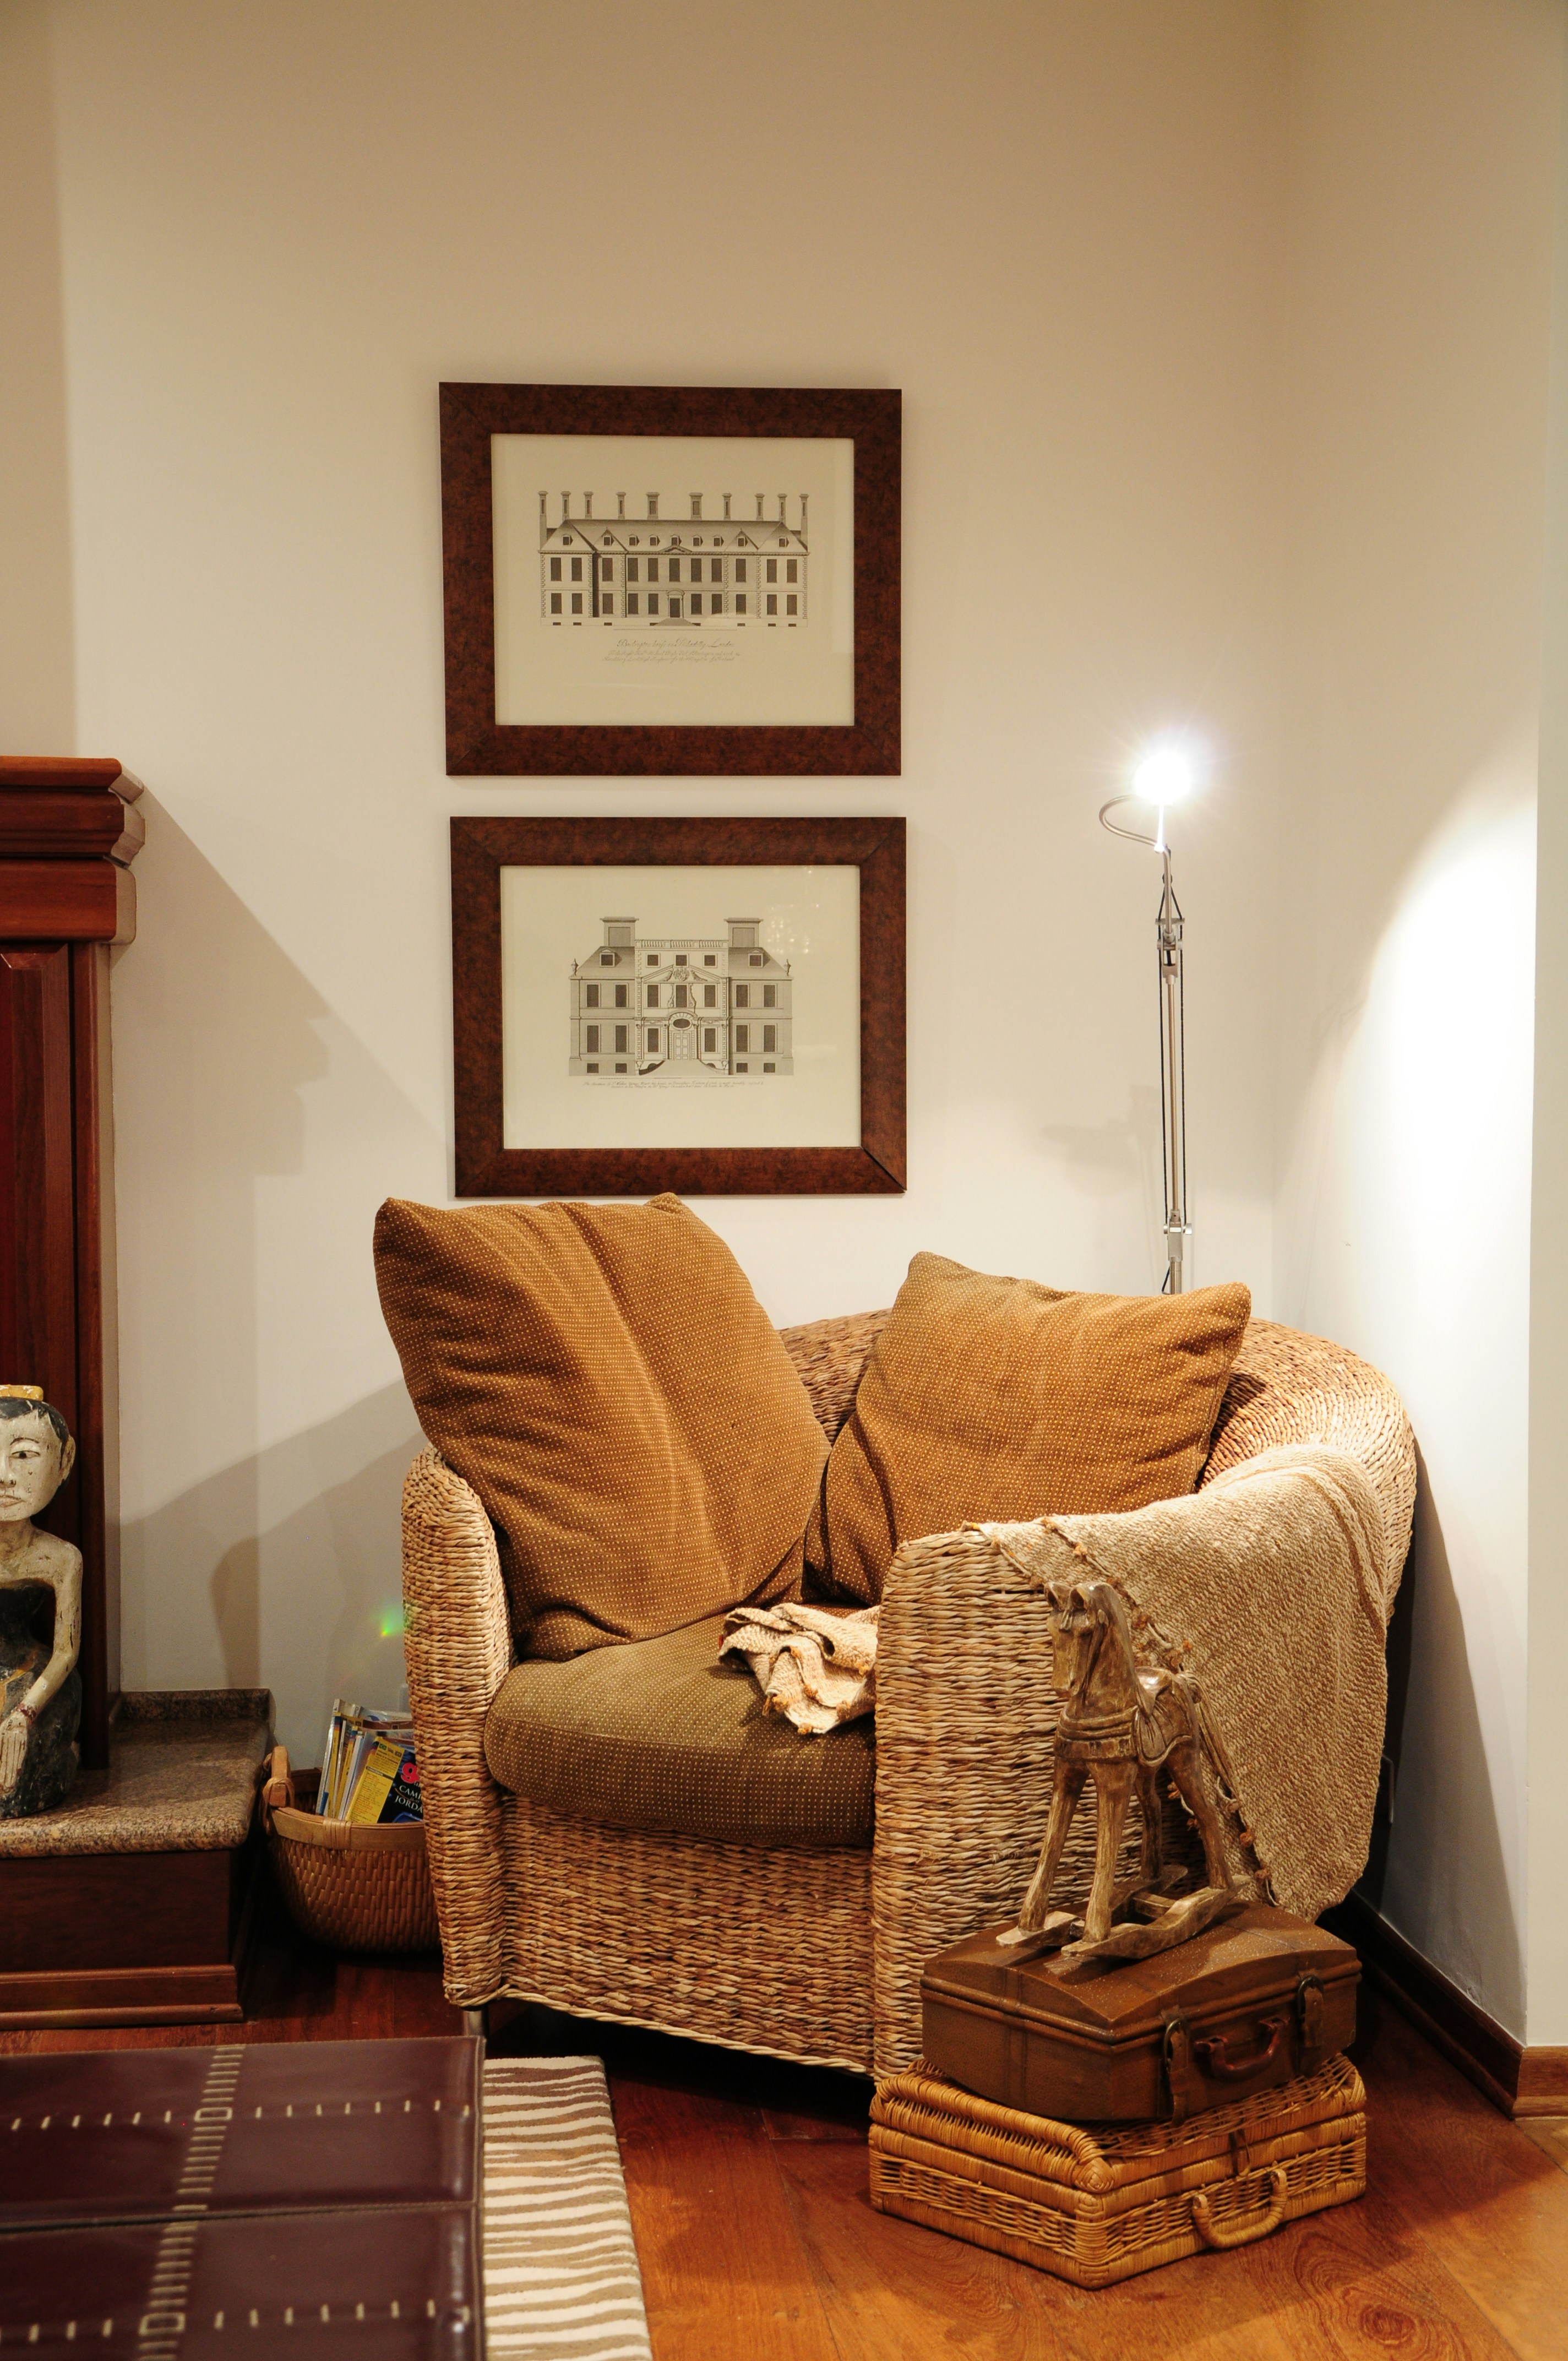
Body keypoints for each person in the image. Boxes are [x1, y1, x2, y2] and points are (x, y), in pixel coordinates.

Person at [0, 1387, 82, 1816]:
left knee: (13, 1785)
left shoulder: (60, 1558)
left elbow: (67, 1651)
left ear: (64, 1462)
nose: (4, 1476)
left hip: (36, 1678)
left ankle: (60, 1761)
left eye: (24, 1455)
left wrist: (26, 1712)